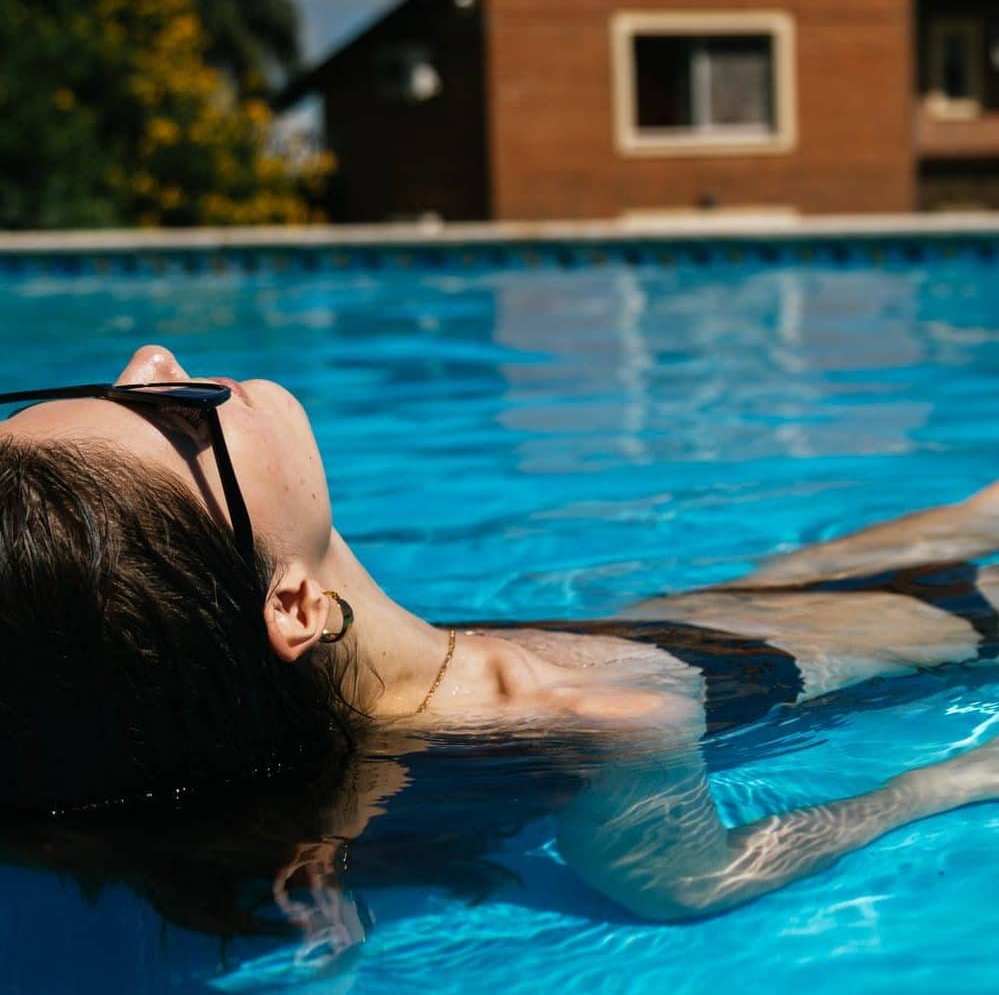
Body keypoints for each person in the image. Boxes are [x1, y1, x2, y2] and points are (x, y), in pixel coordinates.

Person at [4, 342, 999, 925]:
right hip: (815, 650)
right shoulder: (603, 717)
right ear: (295, 605)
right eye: (172, 415)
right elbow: (690, 885)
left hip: (652, 623)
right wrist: (944, 783)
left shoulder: (278, 720)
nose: (151, 358)